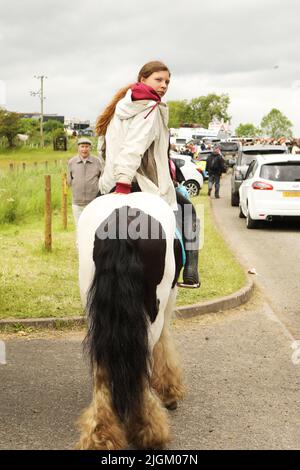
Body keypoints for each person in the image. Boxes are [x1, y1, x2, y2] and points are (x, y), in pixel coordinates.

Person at [96, 60, 200, 288]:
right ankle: (191, 272)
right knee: (189, 213)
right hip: (142, 184)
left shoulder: (119, 108)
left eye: (167, 82)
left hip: (110, 183)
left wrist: (112, 182)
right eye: (158, 80)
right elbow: (135, 146)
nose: (164, 85)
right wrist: (124, 183)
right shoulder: (150, 107)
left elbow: (103, 148)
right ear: (143, 79)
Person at [67, 137, 103, 227]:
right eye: (82, 146)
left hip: (93, 202)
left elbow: (101, 178)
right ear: (78, 148)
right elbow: (69, 180)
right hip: (77, 202)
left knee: (92, 226)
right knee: (79, 226)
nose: (84, 149)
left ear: (90, 148)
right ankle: (79, 241)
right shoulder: (72, 162)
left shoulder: (97, 161)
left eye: (87, 146)